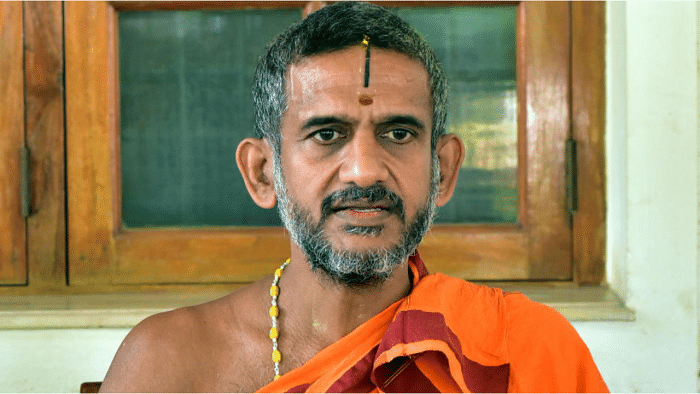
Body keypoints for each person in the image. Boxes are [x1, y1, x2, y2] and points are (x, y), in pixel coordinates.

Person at [99, 2, 609, 392]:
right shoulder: (169, 360)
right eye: (327, 134)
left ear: (444, 171)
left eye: (399, 134)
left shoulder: (523, 349)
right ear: (263, 173)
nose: (364, 169)